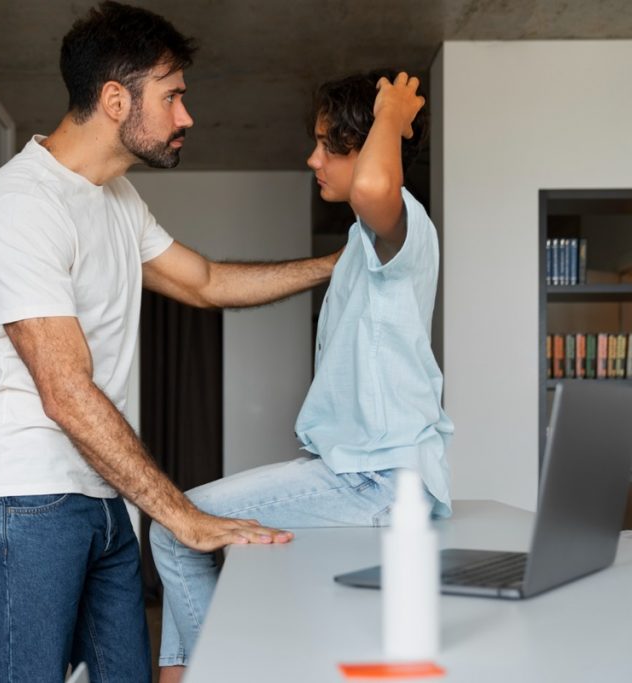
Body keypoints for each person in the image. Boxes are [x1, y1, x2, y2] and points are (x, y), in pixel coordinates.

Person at [0, 2, 342, 681]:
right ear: (113, 99)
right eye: (173, 96)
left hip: (103, 493)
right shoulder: (19, 205)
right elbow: (66, 390)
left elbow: (208, 281)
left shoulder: (115, 199)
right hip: (26, 498)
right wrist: (182, 517)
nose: (186, 116)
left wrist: (336, 267)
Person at [150, 70, 455, 682]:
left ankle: (211, 673)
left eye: (327, 143)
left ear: (368, 148)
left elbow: (375, 183)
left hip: (375, 480)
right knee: (188, 530)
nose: (311, 157)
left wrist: (392, 110)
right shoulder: (362, 246)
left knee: (177, 530)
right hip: (353, 474)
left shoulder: (405, 228)